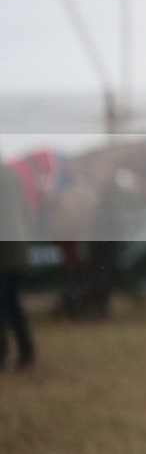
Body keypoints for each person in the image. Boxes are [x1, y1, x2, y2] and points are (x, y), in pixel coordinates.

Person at [0, 157, 35, 370]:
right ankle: (26, 352)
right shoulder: (13, 176)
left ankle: (4, 354)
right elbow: (24, 211)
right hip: (17, 248)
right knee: (11, 302)